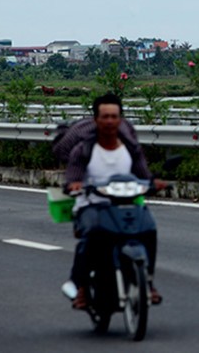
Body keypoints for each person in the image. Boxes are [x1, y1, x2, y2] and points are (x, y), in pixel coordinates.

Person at [64, 93, 166, 310]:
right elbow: (73, 175)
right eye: (105, 116)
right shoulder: (84, 149)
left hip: (127, 202)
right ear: (96, 120)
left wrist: (153, 183)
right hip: (92, 204)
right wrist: (74, 184)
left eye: (114, 116)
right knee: (92, 236)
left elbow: (143, 174)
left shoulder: (130, 148)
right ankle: (82, 288)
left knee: (149, 230)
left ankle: (147, 281)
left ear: (120, 119)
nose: (110, 121)